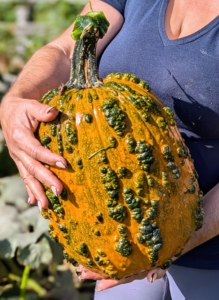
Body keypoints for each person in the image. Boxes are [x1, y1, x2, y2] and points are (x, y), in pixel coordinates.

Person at [1, 0, 219, 299]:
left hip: (208, 256)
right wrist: (14, 100)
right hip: (119, 242)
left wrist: (171, 238)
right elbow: (66, 50)